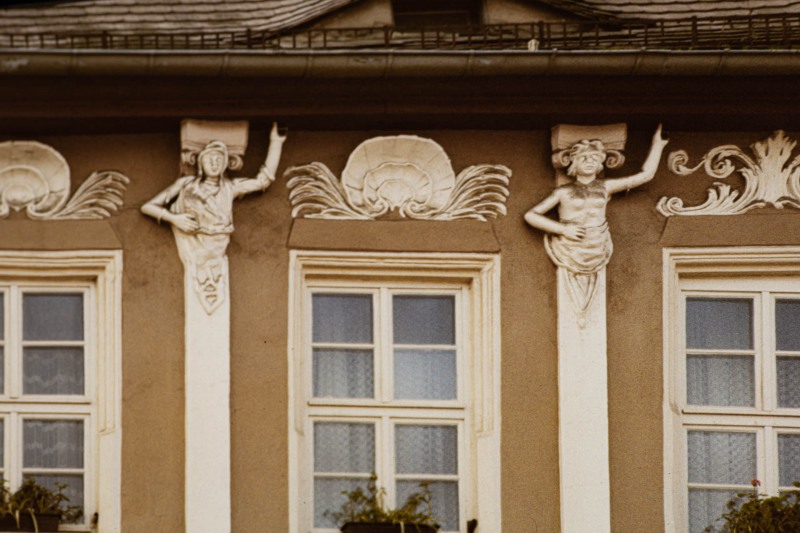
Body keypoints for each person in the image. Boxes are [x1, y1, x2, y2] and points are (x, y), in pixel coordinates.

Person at [141, 122, 286, 312]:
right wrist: (174, 219)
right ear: (201, 162)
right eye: (210, 159)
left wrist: (276, 142)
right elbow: (148, 207)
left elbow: (263, 181)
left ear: (225, 164)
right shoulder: (187, 185)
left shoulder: (230, 187)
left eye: (219, 160)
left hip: (218, 243)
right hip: (195, 244)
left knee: (214, 280)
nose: (214, 163)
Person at [524, 124, 668, 312]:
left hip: (597, 242)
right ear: (574, 162)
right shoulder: (564, 191)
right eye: (584, 158)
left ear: (600, 161)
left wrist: (658, 145)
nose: (589, 161)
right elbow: (531, 215)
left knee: (587, 297)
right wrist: (563, 229)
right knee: (576, 298)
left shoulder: (605, 187)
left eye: (594, 157)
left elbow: (645, 176)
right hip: (570, 247)